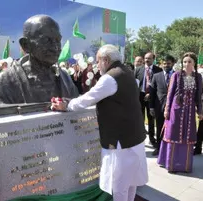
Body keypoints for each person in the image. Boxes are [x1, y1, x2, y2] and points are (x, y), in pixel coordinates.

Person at [52, 45, 148, 201]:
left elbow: (87, 99)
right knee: (131, 182)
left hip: (120, 141)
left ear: (106, 60)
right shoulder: (127, 73)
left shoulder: (110, 78)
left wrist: (66, 106)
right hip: (134, 136)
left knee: (120, 185)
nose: (97, 65)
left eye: (98, 61)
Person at [0, 14, 78, 104]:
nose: (55, 47)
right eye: (46, 40)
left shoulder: (65, 78)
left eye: (58, 40)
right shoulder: (5, 83)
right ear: (26, 45)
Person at [157, 52, 202, 173]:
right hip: (175, 111)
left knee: (187, 137)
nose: (186, 64)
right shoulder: (176, 75)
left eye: (189, 62)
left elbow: (198, 97)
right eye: (184, 62)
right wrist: (167, 110)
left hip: (190, 112)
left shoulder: (198, 77)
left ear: (194, 63)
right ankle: (171, 164)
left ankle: (184, 166)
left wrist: (200, 111)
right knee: (173, 135)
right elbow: (170, 94)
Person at [149, 55, 175, 156]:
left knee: (172, 128)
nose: (166, 65)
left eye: (168, 63)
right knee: (159, 128)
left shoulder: (177, 75)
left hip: (173, 107)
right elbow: (152, 93)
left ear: (172, 63)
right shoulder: (156, 76)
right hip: (159, 107)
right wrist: (151, 107)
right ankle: (159, 148)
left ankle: (170, 149)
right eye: (164, 63)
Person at [135, 52, 162, 146]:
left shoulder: (158, 70)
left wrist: (150, 94)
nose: (146, 60)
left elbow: (159, 85)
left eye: (149, 58)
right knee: (139, 118)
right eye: (145, 58)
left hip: (152, 97)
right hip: (140, 97)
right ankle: (140, 138)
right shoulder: (138, 69)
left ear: (153, 59)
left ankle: (151, 138)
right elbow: (135, 84)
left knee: (151, 118)